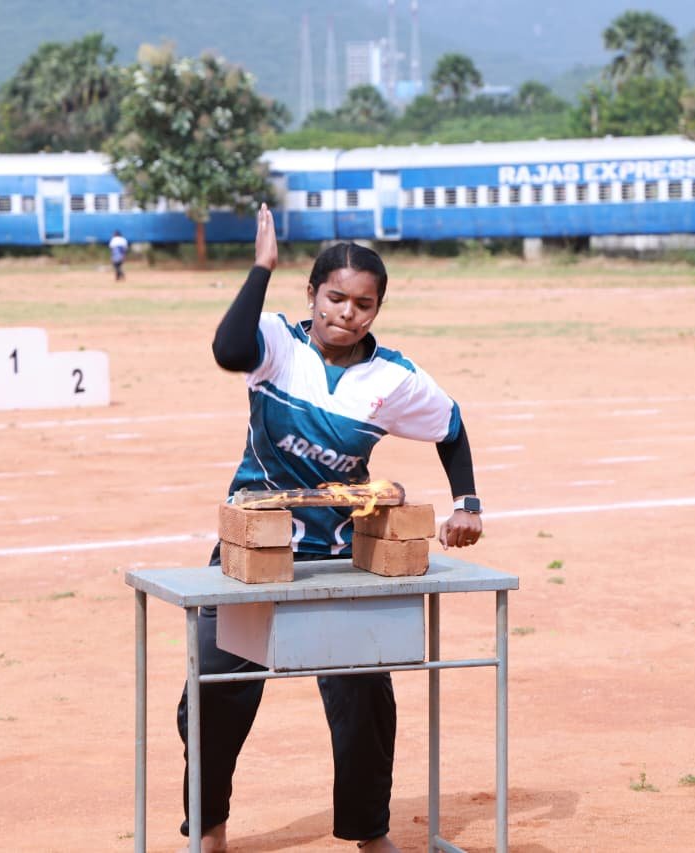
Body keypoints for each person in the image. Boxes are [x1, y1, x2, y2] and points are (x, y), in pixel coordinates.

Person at [178, 203, 482, 852]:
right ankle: (209, 829)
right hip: (252, 554)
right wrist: (261, 267)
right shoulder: (276, 345)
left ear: (378, 309)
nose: (347, 313)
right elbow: (228, 349)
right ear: (312, 294)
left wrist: (468, 502)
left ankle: (370, 834)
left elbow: (451, 425)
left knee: (364, 700)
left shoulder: (392, 377)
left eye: (363, 304)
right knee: (212, 695)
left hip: (337, 557)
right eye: (335, 298)